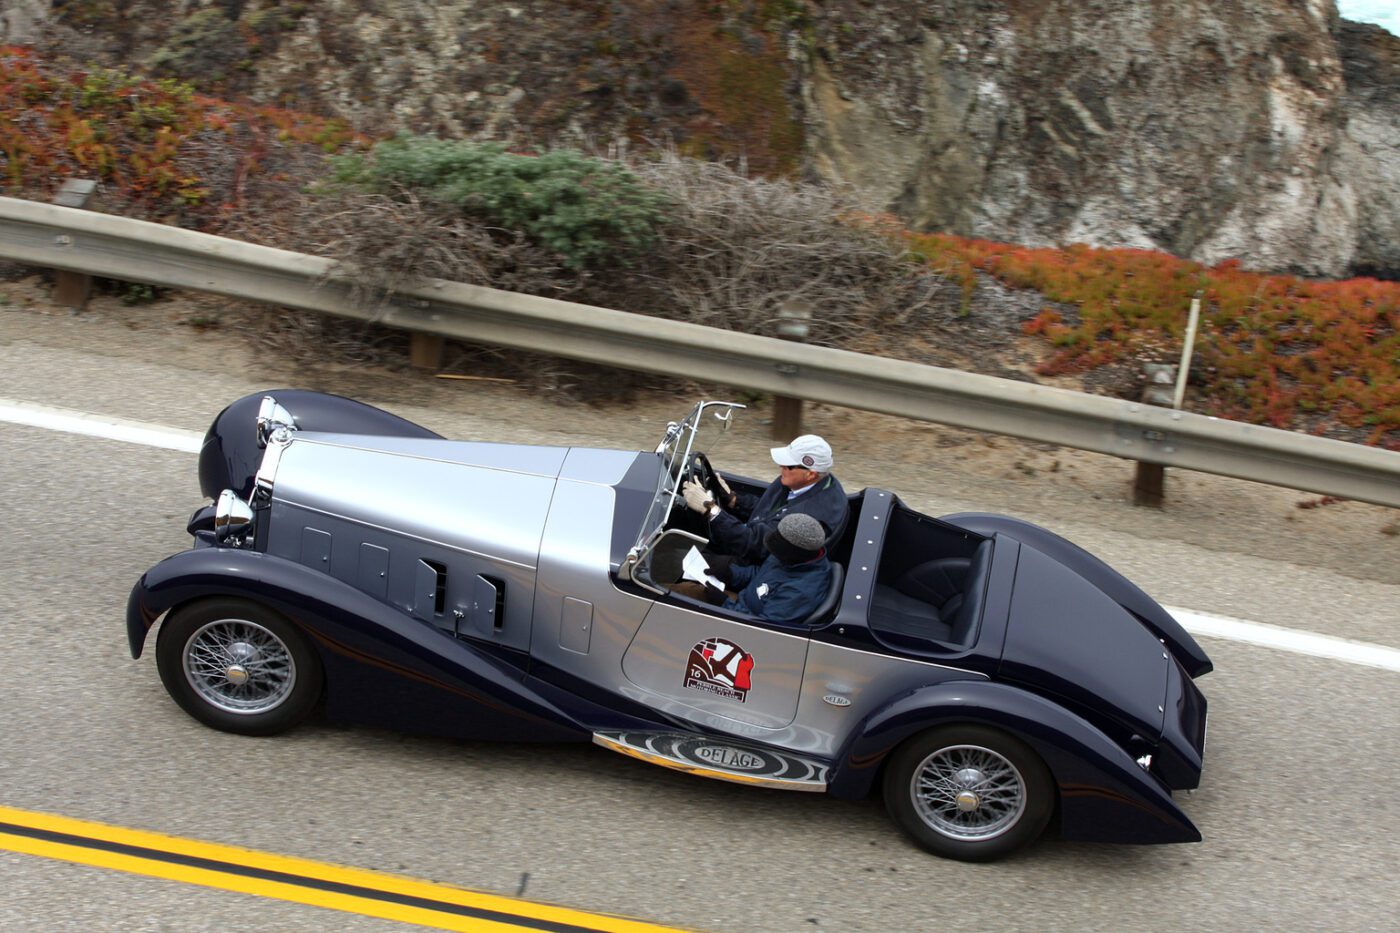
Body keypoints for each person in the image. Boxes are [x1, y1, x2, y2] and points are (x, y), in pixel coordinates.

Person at [680, 434, 847, 565]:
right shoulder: (803, 481)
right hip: (754, 545)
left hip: (757, 565)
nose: (781, 466)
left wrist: (711, 509)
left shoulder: (804, 520)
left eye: (788, 465)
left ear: (811, 474)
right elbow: (769, 510)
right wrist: (734, 500)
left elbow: (757, 546)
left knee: (682, 558)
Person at [675, 513, 833, 625]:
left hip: (743, 621)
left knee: (677, 596)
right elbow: (761, 574)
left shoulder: (800, 592)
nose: (772, 554)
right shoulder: (790, 557)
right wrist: (731, 573)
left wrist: (723, 603)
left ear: (794, 553)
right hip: (740, 604)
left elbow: (763, 627)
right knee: (683, 587)